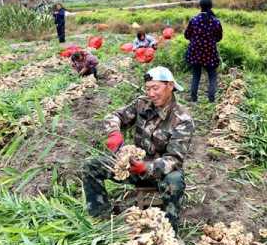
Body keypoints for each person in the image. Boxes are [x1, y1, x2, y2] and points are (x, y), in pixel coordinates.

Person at [82, 66, 194, 232]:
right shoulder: (142, 104)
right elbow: (115, 116)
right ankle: (101, 216)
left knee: (175, 181)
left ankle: (170, 231)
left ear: (170, 86)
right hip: (131, 167)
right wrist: (114, 133)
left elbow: (174, 159)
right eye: (148, 88)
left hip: (159, 173)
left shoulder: (182, 119)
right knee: (91, 166)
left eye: (156, 88)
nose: (151, 93)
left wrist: (145, 167)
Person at [184, 0, 223, 103]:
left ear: (200, 6)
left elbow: (187, 35)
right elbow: (219, 38)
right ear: (211, 6)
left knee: (196, 75)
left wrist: (195, 39)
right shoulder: (216, 22)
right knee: (212, 75)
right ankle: (211, 99)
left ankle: (193, 99)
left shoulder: (194, 20)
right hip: (210, 53)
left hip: (195, 52)